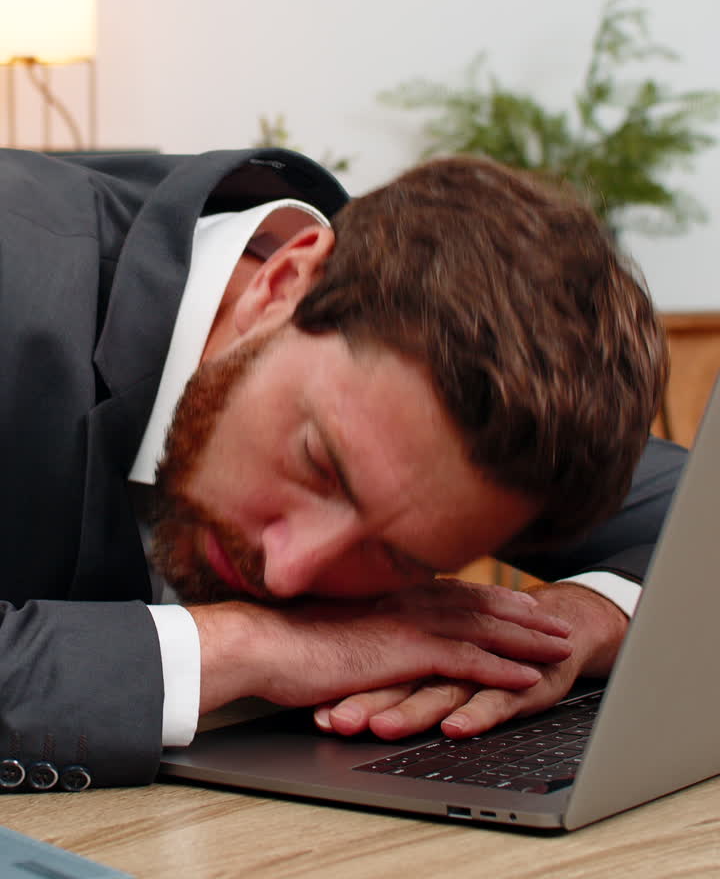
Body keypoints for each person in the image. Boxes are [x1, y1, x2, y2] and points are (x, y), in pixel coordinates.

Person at [0, 146, 683, 794]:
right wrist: (244, 645)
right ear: (284, 282)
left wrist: (564, 627)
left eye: (395, 554)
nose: (288, 570)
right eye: (320, 463)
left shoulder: (449, 366)